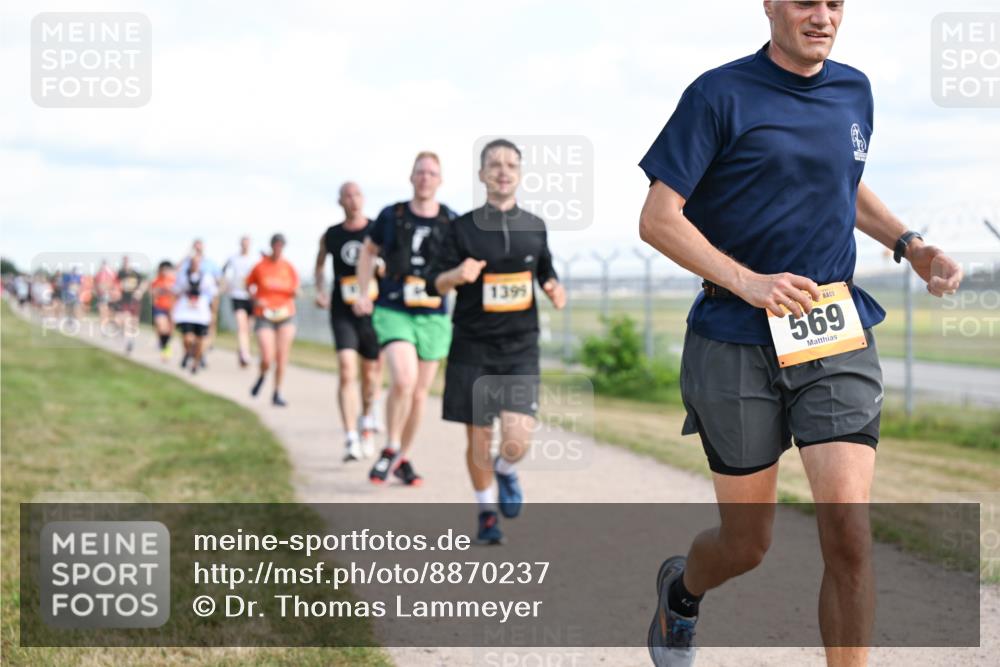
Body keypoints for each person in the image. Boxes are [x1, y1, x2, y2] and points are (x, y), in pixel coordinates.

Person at [637, 3, 965, 666]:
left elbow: (843, 181)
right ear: (770, 5)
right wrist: (748, 281)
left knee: (848, 530)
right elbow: (658, 219)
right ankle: (683, 589)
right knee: (746, 543)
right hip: (733, 336)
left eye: (835, 3)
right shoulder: (717, 94)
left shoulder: (855, 89)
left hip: (830, 326)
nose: (822, 15)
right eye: (805, 1)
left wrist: (911, 244)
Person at [427, 138, 565, 545]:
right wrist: (457, 275)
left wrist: (555, 288)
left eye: (510, 164)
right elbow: (434, 282)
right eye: (494, 164)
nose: (503, 170)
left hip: (520, 347)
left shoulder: (535, 226)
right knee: (478, 437)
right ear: (482, 175)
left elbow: (545, 272)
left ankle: (506, 471)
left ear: (518, 174)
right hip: (472, 346)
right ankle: (486, 513)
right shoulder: (461, 228)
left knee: (516, 440)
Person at [354, 152, 456, 486]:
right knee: (404, 379)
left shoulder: (450, 222)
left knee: (419, 393)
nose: (425, 177)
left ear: (440, 180)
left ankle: (403, 457)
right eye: (420, 172)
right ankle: (391, 446)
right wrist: (363, 290)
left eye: (432, 173)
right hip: (394, 308)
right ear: (411, 178)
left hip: (433, 314)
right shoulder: (392, 215)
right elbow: (369, 251)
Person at [315, 182, 383, 461]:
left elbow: (391, 262)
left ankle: (366, 421)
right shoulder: (331, 235)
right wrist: (320, 289)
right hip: (343, 309)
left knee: (370, 374)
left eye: (357, 195)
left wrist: (379, 269)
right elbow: (319, 266)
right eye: (347, 196)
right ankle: (350, 438)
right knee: (346, 369)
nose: (353, 200)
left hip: (373, 310)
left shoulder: (377, 229)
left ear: (363, 199)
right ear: (340, 201)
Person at [246, 233, 300, 407]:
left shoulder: (288, 267)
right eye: (276, 245)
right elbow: (248, 285)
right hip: (264, 314)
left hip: (285, 313)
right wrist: (255, 298)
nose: (278, 248)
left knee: (282, 356)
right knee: (267, 357)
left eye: (281, 246)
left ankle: (277, 392)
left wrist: (296, 293)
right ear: (271, 246)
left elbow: (296, 288)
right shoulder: (260, 266)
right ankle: (262, 375)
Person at [172, 254, 218, 374]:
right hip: (187, 312)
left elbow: (213, 295)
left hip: (201, 313)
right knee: (188, 338)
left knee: (200, 340)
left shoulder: (207, 277)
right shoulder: (183, 276)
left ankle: (196, 363)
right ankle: (188, 353)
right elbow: (176, 291)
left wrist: (213, 312)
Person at [222, 236, 257, 368]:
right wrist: (226, 285)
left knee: (249, 329)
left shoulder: (255, 259)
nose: (245, 246)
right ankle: (245, 353)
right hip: (237, 295)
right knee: (241, 326)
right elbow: (224, 272)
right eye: (243, 243)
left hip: (252, 296)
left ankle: (242, 349)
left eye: (247, 244)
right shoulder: (233, 258)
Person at [114, 256, 145, 354]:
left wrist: (140, 292)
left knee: (132, 321)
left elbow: (144, 284)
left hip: (133, 301)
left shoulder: (136, 275)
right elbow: (116, 284)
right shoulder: (120, 273)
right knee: (121, 320)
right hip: (123, 300)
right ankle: (127, 338)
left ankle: (130, 341)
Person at [150, 261, 177, 362]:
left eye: (167, 269)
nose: (165, 271)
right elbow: (152, 293)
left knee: (169, 331)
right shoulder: (156, 281)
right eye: (163, 269)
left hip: (172, 308)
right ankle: (164, 347)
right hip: (160, 307)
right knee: (162, 328)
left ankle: (165, 345)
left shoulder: (174, 280)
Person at [93, 260, 116, 330]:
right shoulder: (101, 273)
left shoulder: (108, 272)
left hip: (106, 293)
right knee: (104, 307)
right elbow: (96, 283)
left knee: (103, 307)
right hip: (103, 293)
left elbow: (113, 282)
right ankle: (105, 321)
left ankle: (104, 322)